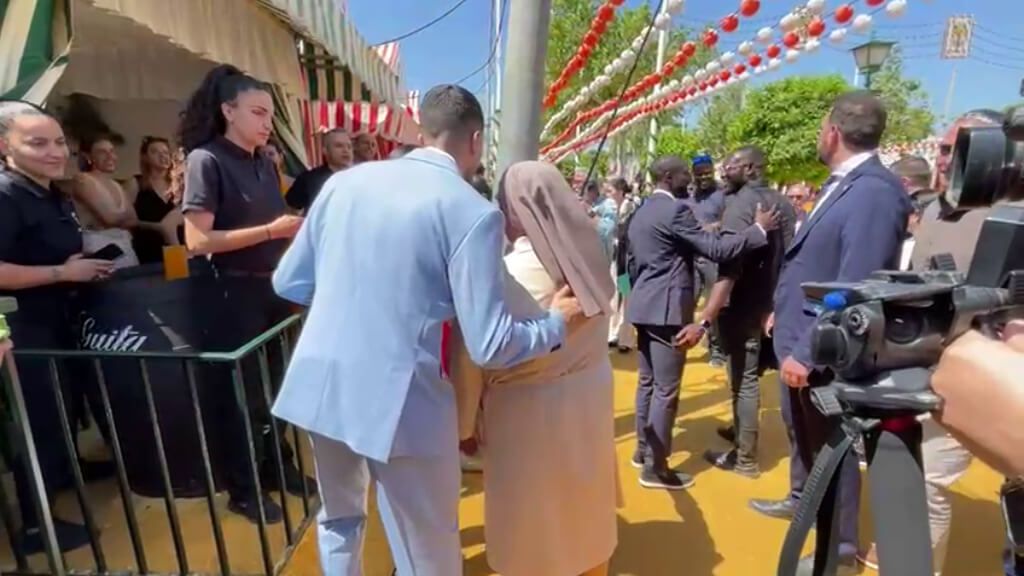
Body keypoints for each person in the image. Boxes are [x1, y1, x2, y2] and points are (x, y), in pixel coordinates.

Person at [270, 84, 583, 576]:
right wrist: (554, 324)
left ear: (422, 129)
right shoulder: (472, 212)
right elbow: (493, 342)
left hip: (319, 384)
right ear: (476, 140)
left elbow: (290, 280)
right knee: (428, 552)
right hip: (402, 402)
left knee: (339, 520)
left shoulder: (342, 184)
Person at [754, 91, 911, 575]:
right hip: (800, 336)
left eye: (821, 128)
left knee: (833, 453)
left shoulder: (874, 192)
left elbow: (856, 284)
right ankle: (802, 502)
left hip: (823, 352)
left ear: (833, 132)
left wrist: (807, 351)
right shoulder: (843, 185)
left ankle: (839, 551)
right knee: (803, 439)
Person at [859, 109, 1010, 575]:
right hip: (917, 366)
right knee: (914, 475)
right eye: (943, 149)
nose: (943, 159)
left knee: (929, 480)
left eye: (956, 149)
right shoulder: (931, 210)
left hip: (978, 370)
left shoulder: (1004, 218)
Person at [449, 161, 618, 576]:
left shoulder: (508, 274)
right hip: (590, 396)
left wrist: (465, 425)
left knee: (531, 522)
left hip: (526, 413)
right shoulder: (592, 259)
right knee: (582, 504)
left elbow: (474, 354)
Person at [178, 64, 311, 524]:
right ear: (228, 111)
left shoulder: (263, 161)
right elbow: (197, 241)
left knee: (277, 388)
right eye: (257, 112)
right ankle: (244, 486)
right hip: (228, 294)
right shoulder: (206, 160)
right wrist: (271, 230)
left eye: (269, 114)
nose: (266, 122)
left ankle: (278, 466)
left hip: (270, 290)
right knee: (239, 396)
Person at [0, 101, 115, 553]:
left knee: (63, 416)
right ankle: (36, 527)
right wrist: (62, 274)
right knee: (38, 425)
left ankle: (65, 477)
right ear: (5, 146)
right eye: (37, 143)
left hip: (57, 322)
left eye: (59, 142)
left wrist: (78, 266)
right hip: (24, 330)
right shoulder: (6, 194)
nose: (54, 152)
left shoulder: (50, 193)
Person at [626, 154, 778, 490]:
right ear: (668, 176)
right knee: (666, 391)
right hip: (667, 311)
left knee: (648, 384)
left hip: (644, 306)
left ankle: (642, 450)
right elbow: (716, 250)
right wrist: (756, 231)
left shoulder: (643, 211)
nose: (691, 180)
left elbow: (634, 261)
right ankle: (656, 468)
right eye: (684, 174)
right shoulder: (676, 210)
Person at [692, 146, 796, 479]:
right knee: (746, 378)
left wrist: (710, 310)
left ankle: (745, 458)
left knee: (744, 381)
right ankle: (741, 431)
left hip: (740, 305)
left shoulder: (743, 204)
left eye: (732, 165)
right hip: (768, 303)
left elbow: (729, 264)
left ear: (750, 167)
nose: (724, 169)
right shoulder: (784, 204)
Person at [71, 135, 140, 269]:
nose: (110, 156)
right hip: (99, 251)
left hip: (125, 250)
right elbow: (110, 218)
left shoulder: (115, 184)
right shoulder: (83, 180)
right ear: (88, 157)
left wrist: (116, 218)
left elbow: (134, 220)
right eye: (102, 152)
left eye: (112, 151)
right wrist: (122, 218)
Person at [689, 153, 728, 367]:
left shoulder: (723, 193)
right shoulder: (689, 194)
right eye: (699, 173)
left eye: (707, 173)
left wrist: (710, 228)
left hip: (714, 257)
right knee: (687, 302)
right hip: (691, 257)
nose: (703, 177)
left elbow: (730, 218)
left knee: (715, 306)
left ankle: (717, 350)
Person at [126, 136, 183, 265]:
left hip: (179, 249)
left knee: (180, 279)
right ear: (145, 157)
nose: (162, 156)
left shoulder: (179, 184)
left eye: (165, 152)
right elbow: (127, 220)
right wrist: (157, 227)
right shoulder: (135, 183)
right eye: (155, 152)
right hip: (149, 250)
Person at [285, 128, 353, 212]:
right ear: (325, 150)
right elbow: (290, 209)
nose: (346, 150)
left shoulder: (360, 179)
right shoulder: (308, 179)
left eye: (349, 146)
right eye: (339, 146)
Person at [607, 177, 636, 352]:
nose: (607, 194)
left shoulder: (631, 208)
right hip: (615, 259)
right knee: (613, 298)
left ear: (619, 191)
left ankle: (626, 338)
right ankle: (612, 333)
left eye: (610, 191)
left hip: (625, 262)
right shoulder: (609, 208)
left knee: (626, 299)